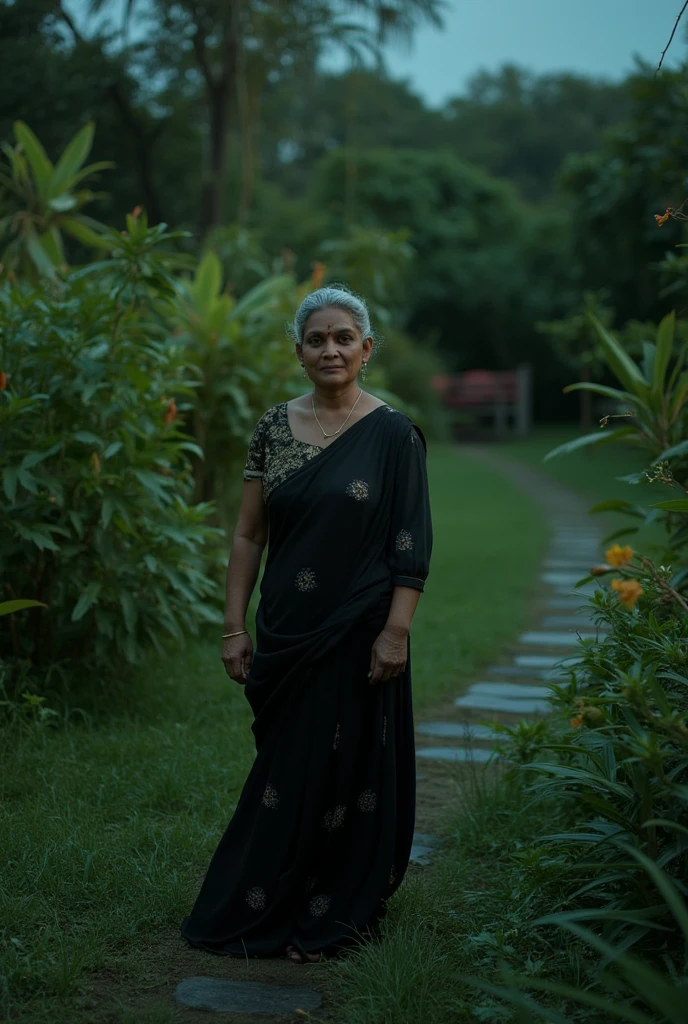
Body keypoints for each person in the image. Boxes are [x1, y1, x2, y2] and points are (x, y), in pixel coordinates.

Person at [180, 285, 433, 964]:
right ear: (298, 352)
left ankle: (330, 913)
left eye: (344, 337)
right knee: (286, 774)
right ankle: (266, 903)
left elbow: (410, 544)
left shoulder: (393, 435)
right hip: (288, 631)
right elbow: (248, 536)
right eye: (317, 339)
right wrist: (234, 626)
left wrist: (396, 631)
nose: (331, 349)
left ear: (366, 349)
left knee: (347, 772)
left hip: (359, 633)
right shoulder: (272, 428)